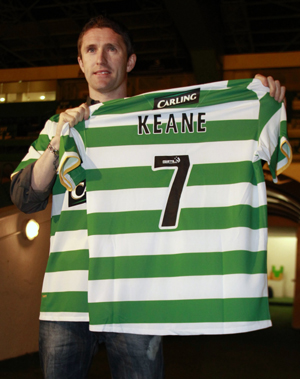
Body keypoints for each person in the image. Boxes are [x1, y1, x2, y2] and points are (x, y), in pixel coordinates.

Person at [10, 15, 287, 379]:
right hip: (68, 296)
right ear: (80, 62)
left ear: (130, 60)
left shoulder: (163, 121)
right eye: (90, 50)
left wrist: (262, 101)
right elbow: (24, 196)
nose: (101, 58)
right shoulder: (59, 125)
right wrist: (59, 143)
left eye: (112, 48)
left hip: (138, 292)